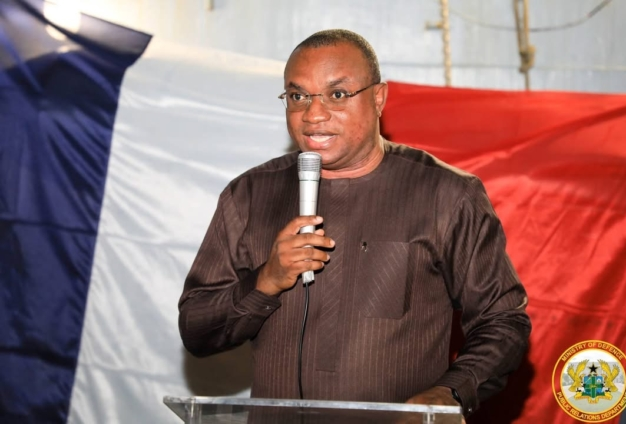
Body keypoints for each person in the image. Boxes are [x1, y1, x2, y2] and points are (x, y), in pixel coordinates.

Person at [178, 29, 531, 419]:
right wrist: (266, 281)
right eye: (298, 96)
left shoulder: (446, 195)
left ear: (378, 98)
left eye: (337, 94)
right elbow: (196, 330)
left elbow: (503, 321)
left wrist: (451, 391)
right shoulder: (249, 195)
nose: (313, 114)